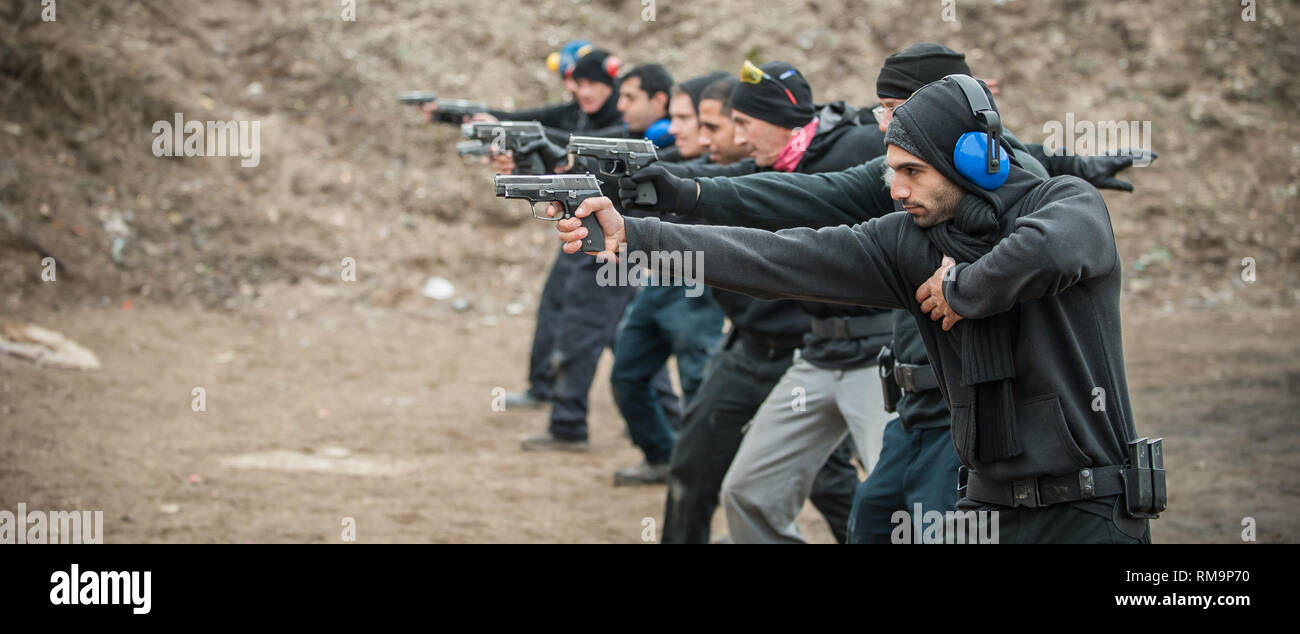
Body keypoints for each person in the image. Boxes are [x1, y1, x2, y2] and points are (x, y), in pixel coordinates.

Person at [556, 75, 1159, 543]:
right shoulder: (908, 241)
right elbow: (777, 257)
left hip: (1089, 512)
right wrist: (638, 235)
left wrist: (962, 290)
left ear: (972, 161)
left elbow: (1052, 251)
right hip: (986, 509)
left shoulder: (1067, 201)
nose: (895, 190)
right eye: (893, 171)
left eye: (911, 172)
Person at [623, 61, 888, 543]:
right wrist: (607, 186)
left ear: (780, 120)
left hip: (875, 354)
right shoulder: (771, 164)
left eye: (740, 123)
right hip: (804, 352)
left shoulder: (857, 150)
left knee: (888, 498)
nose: (731, 138)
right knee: (738, 488)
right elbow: (720, 186)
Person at [608, 72, 730, 486]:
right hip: (660, 280)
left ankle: (701, 473)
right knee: (627, 373)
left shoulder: (731, 171)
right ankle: (663, 454)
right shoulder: (674, 160)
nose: (671, 128)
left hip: (699, 282)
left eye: (683, 118)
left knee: (698, 381)